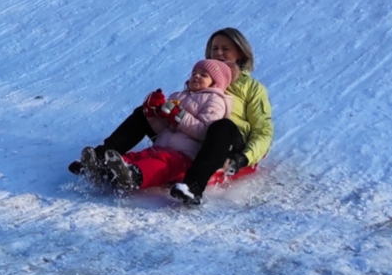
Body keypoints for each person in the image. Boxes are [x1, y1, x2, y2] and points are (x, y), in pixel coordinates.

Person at [69, 27, 274, 205]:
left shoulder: (252, 88)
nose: (218, 53)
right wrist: (157, 111)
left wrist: (244, 158)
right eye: (214, 48)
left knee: (223, 126)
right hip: (188, 136)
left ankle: (193, 185)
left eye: (225, 49)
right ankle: (99, 158)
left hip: (223, 143)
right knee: (143, 113)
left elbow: (263, 131)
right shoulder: (200, 80)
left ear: (240, 53)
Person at [79, 58, 235, 191]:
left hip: (184, 155)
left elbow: (204, 132)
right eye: (194, 73)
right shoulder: (178, 96)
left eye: (203, 75)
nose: (196, 76)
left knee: (159, 164)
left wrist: (178, 115)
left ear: (215, 83)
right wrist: (152, 114)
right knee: (138, 156)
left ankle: (133, 176)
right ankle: (103, 170)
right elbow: (164, 129)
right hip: (161, 145)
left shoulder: (215, 101)